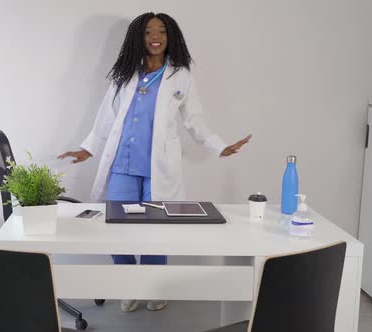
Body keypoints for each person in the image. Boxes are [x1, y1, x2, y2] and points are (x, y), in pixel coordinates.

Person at [58, 12, 251, 313]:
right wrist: (88, 149)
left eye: (161, 31)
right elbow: (106, 118)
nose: (155, 36)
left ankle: (154, 284)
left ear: (170, 37)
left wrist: (220, 147)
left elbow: (195, 122)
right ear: (139, 37)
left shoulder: (181, 76)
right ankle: (129, 284)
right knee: (114, 228)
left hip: (158, 168)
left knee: (157, 230)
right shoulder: (124, 74)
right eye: (149, 31)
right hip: (122, 164)